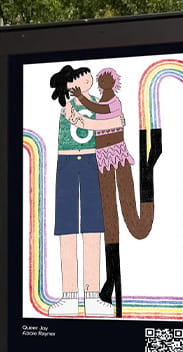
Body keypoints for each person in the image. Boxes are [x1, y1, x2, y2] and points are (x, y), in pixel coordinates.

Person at [69, 67, 155, 318]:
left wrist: (81, 105)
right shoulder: (103, 100)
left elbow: (100, 115)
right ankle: (110, 283)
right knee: (110, 220)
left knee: (129, 215)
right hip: (101, 160)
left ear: (111, 84)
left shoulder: (112, 102)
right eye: (100, 81)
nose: (102, 84)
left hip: (116, 158)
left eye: (104, 81)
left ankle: (112, 284)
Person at [48, 65, 119, 318]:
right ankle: (68, 295)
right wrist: (116, 121)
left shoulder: (97, 102)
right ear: (68, 85)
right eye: (80, 78)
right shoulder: (68, 104)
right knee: (66, 227)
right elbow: (87, 123)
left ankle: (91, 296)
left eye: (87, 77)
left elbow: (98, 119)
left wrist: (112, 118)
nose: (86, 80)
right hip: (67, 162)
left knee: (93, 226)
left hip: (91, 161)